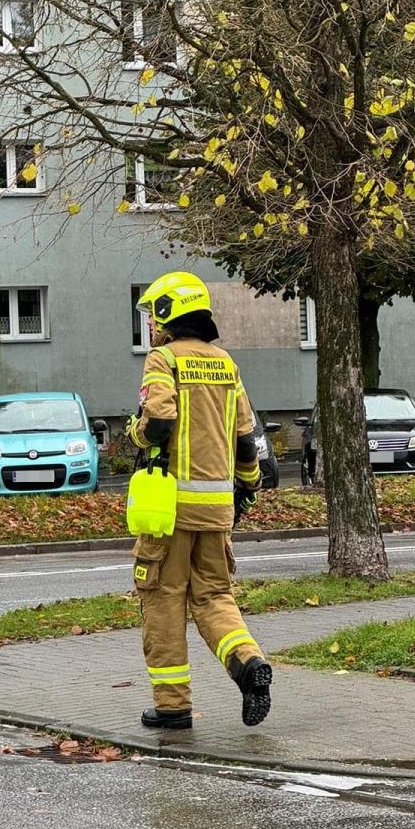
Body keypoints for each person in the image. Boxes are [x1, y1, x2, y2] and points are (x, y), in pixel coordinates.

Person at [126, 271, 272, 730]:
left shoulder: (163, 358)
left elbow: (159, 422)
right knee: (214, 597)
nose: (150, 323)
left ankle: (172, 708)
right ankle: (249, 664)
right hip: (217, 510)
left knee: (163, 600)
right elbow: (247, 441)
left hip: (169, 510)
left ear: (170, 313)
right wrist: (247, 489)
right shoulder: (226, 365)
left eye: (153, 313)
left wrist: (136, 431)